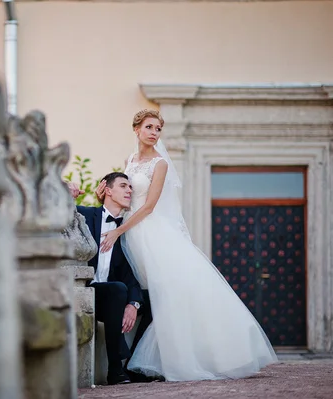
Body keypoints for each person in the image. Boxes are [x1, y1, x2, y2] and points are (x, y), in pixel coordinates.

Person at [95, 109, 278, 382]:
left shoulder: (160, 164)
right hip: (130, 232)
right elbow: (124, 193)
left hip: (149, 232)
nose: (154, 133)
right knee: (141, 295)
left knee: (162, 295)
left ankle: (153, 361)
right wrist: (103, 193)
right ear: (137, 130)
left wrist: (119, 230)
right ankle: (129, 362)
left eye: (158, 128)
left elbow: (149, 205)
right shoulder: (129, 160)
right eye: (149, 127)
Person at [67, 173, 154, 385]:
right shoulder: (86, 215)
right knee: (117, 289)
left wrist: (133, 304)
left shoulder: (128, 231)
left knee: (153, 300)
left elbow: (130, 275)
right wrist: (66, 191)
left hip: (113, 297)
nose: (129, 191)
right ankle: (115, 369)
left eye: (131, 188)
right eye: (123, 186)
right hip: (84, 292)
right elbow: (54, 211)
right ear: (107, 190)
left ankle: (133, 365)